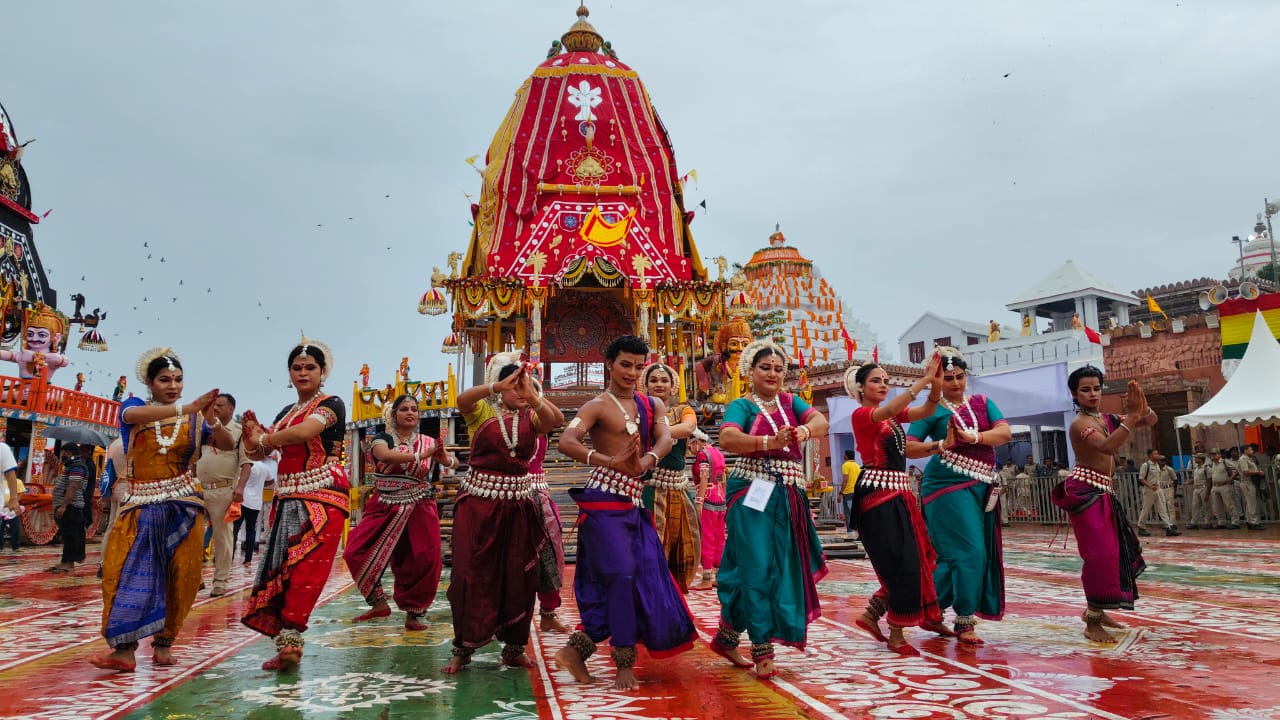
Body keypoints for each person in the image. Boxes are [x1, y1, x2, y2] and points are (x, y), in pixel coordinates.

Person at [554, 335, 696, 690]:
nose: (632, 372)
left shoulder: (653, 406)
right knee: (621, 575)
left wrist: (648, 460)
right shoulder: (597, 406)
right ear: (610, 365)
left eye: (638, 366)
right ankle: (622, 663)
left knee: (646, 576)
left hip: (635, 500)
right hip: (604, 500)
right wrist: (609, 461)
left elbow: (665, 438)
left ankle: (576, 650)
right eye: (625, 365)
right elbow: (566, 442)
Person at [94, 347, 229, 672]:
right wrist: (188, 408)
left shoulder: (195, 419)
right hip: (139, 507)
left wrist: (213, 420)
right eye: (165, 379)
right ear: (149, 382)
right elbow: (130, 419)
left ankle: (164, 645)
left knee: (182, 577)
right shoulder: (135, 408)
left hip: (183, 506)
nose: (173, 385)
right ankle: (124, 651)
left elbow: (224, 444)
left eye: (178, 379)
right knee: (122, 573)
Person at [710, 339, 830, 677]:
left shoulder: (792, 402)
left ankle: (727, 635)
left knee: (770, 567)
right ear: (751, 371)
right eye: (765, 367)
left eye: (779, 368)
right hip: (752, 492)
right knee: (758, 568)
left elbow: (821, 422)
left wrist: (803, 431)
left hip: (788, 495)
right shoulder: (742, 405)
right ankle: (763, 647)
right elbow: (728, 438)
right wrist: (769, 442)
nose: (773, 373)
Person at [442, 352, 563, 674]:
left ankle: (514, 647)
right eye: (516, 388)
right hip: (478, 505)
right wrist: (496, 386)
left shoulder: (531, 418)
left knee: (520, 576)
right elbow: (462, 400)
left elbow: (554, 422)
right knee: (469, 575)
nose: (521, 394)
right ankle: (463, 649)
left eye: (526, 388)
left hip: (519, 505)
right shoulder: (482, 411)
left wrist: (533, 396)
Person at [241, 337, 351, 672]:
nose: (303, 373)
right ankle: (287, 646)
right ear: (289, 373)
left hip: (323, 494)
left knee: (306, 570)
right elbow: (260, 452)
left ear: (322, 372)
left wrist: (265, 438)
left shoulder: (331, 404)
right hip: (288, 497)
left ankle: (291, 641)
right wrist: (250, 436)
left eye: (310, 368)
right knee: (284, 572)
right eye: (297, 368)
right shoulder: (286, 413)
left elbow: (307, 432)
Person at [905, 347, 1011, 644]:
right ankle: (964, 620)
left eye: (959, 376)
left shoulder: (982, 403)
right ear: (936, 381)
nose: (954, 382)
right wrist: (943, 443)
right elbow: (909, 447)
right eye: (948, 378)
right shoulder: (932, 409)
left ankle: (925, 606)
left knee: (956, 557)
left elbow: (1004, 433)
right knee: (971, 551)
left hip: (982, 485)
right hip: (946, 486)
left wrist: (973, 437)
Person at [847, 354, 948, 656]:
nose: (883, 385)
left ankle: (873, 614)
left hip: (899, 496)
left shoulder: (891, 417)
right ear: (861, 388)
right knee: (901, 562)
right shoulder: (863, 414)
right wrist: (924, 379)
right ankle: (896, 633)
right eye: (876, 380)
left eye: (886, 381)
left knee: (917, 559)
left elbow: (927, 410)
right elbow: (894, 406)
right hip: (878, 498)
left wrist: (936, 387)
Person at [1050, 366, 1156, 643]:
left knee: (1116, 553)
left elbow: (1151, 420)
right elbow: (1108, 447)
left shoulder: (1107, 418)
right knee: (1099, 556)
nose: (1093, 393)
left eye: (1097, 388)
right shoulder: (1080, 424)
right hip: (1085, 492)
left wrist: (1141, 404)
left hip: (1103, 491)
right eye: (1085, 389)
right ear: (1074, 394)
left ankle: (1096, 610)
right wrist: (1132, 416)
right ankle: (1093, 621)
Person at [343, 395, 455, 631]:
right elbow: (384, 455)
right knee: (355, 550)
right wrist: (419, 456)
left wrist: (444, 458)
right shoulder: (382, 438)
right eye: (404, 409)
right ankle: (378, 602)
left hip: (421, 506)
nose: (410, 413)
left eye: (414, 409)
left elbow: (450, 462)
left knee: (422, 559)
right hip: (384, 504)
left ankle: (414, 614)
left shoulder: (427, 442)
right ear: (394, 415)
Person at [640, 362, 701, 594]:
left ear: (673, 386)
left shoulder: (681, 410)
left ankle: (672, 600)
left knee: (685, 543)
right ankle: (652, 596)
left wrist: (656, 432)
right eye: (654, 380)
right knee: (652, 545)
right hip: (650, 488)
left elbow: (689, 428)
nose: (659, 384)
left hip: (679, 488)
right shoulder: (639, 411)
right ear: (645, 385)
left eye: (664, 380)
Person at [195, 393, 251, 597]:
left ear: (231, 409)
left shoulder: (239, 433)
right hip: (199, 489)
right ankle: (195, 579)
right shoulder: (204, 429)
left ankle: (220, 581)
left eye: (220, 405)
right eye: (213, 405)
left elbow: (246, 464)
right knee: (192, 535)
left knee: (222, 537)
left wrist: (240, 488)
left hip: (224, 490)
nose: (215, 408)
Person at [530, 432, 571, 633]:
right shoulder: (500, 422)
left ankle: (548, 614)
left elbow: (557, 418)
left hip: (541, 495)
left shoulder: (541, 421)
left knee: (552, 554)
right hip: (507, 495)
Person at [689, 429, 726, 589]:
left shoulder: (703, 454)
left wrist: (699, 501)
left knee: (707, 538)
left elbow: (704, 477)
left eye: (690, 446)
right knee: (719, 538)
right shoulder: (717, 452)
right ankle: (719, 575)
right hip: (720, 497)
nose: (690, 450)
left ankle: (706, 578)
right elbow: (723, 477)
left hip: (708, 499)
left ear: (696, 442)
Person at [50, 444, 92, 573]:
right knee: (69, 535)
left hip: (71, 506)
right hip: (70, 506)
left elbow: (73, 487)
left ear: (69, 453)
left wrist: (63, 506)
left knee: (70, 536)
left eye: (64, 454)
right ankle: (65, 561)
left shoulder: (77, 467)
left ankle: (68, 563)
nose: (63, 456)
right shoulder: (72, 467)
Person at [234, 450, 275, 567]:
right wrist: (261, 485)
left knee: (235, 528)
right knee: (251, 530)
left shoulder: (246, 464)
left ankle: (230, 556)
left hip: (243, 500)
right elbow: (271, 482)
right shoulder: (265, 467)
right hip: (256, 503)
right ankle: (248, 560)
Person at [1137, 450, 1179, 537]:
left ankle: (1169, 527)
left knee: (1163, 508)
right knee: (1146, 508)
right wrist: (1150, 486)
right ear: (1150, 455)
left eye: (1157, 453)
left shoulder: (1157, 465)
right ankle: (1141, 526)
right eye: (1155, 453)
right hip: (1149, 490)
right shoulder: (1145, 465)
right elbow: (1141, 478)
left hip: (1158, 489)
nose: (1157, 455)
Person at [1207, 449, 1240, 529]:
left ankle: (1235, 521)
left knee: (1229, 504)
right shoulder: (1212, 464)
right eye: (1211, 455)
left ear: (1219, 454)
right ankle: (1221, 521)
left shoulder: (1225, 462)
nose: (1213, 456)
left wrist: (1231, 478)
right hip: (1215, 486)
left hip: (1224, 485)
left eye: (1214, 454)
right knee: (1217, 505)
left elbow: (1238, 468)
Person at [1238, 445, 1265, 530]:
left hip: (1250, 482)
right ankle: (1254, 522)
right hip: (1247, 482)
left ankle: (1249, 521)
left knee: (1249, 503)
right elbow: (1246, 472)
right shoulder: (1243, 459)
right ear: (1245, 450)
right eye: (1250, 450)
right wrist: (1258, 472)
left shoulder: (1248, 459)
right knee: (1252, 503)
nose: (1252, 451)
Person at [0, 441, 21, 552]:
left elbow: (10, 474)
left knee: (14, 528)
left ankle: (15, 546)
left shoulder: (2, 449)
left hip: (2, 505)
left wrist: (14, 499)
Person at [837, 450, 861, 534]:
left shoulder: (845, 465)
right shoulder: (858, 466)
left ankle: (850, 532)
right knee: (856, 512)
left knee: (848, 514)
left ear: (847, 456)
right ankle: (858, 531)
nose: (844, 456)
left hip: (847, 492)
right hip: (856, 492)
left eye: (844, 455)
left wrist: (840, 493)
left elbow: (845, 479)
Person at [1186, 453, 1210, 530]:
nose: (1195, 459)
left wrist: (1207, 493)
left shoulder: (1206, 468)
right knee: (1194, 506)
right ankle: (1194, 522)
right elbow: (1195, 479)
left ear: (1200, 459)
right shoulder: (1196, 469)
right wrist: (1189, 482)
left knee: (1206, 506)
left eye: (1196, 458)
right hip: (1196, 488)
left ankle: (1207, 522)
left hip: (1204, 487)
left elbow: (1209, 480)